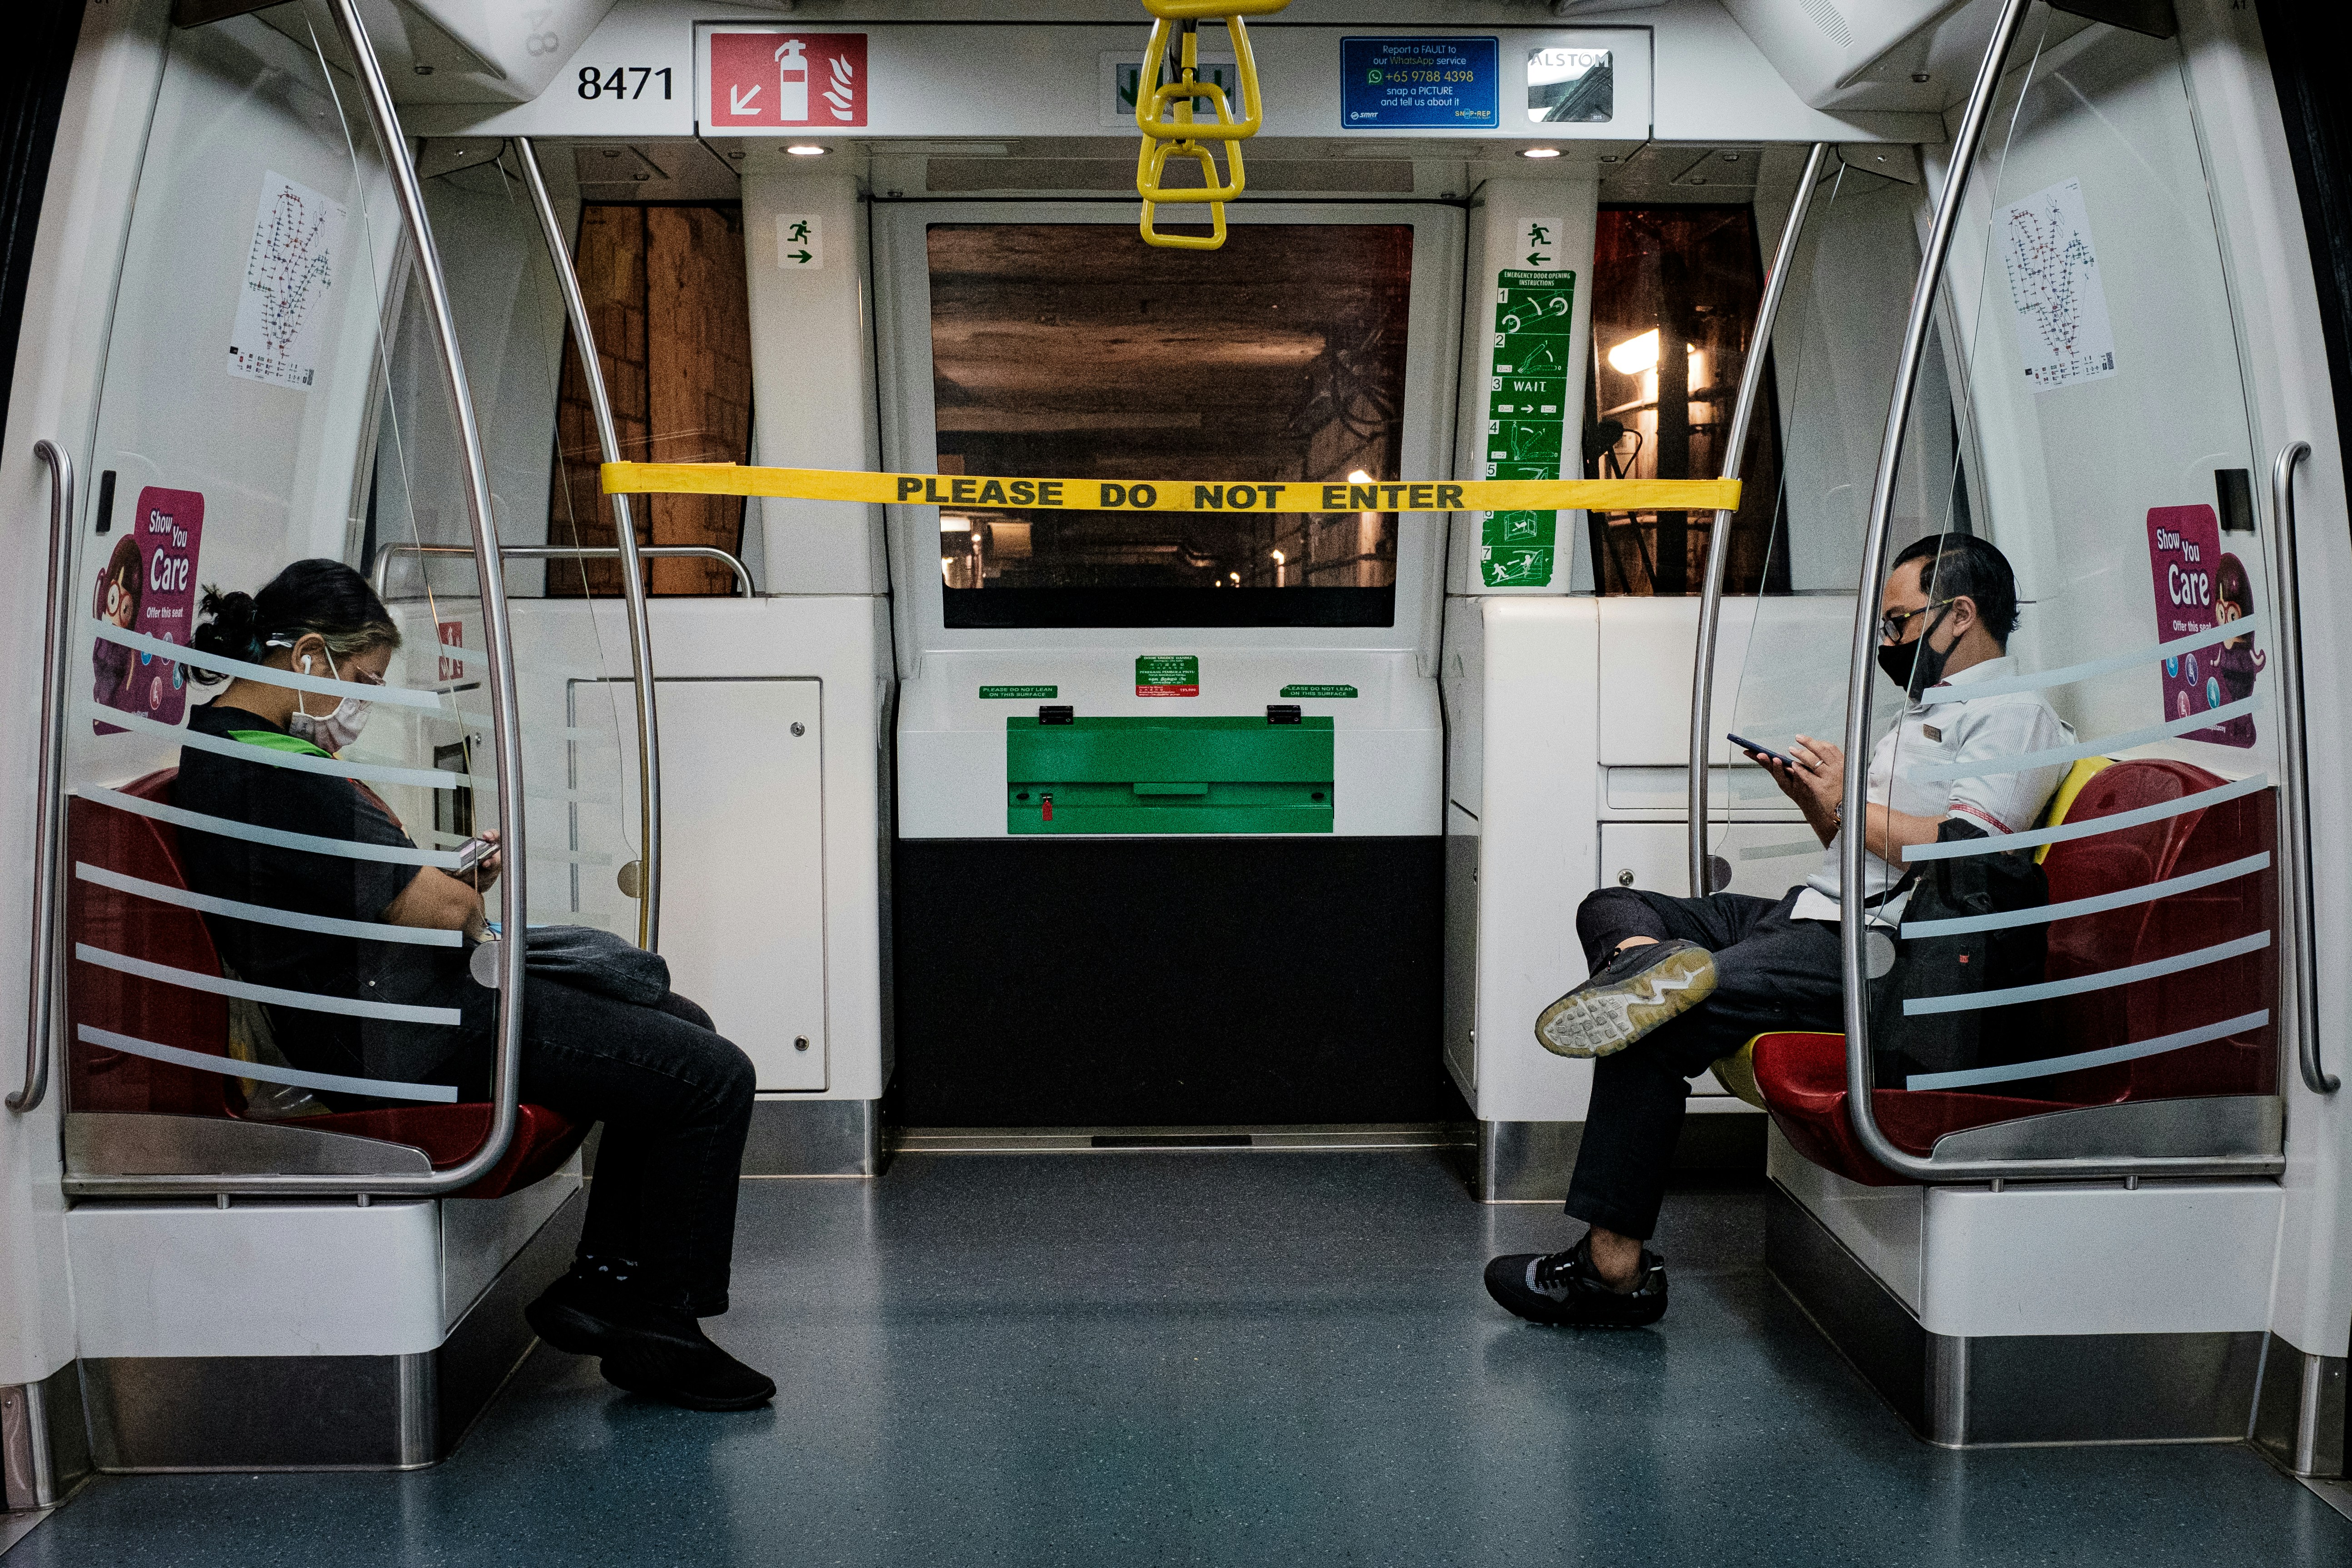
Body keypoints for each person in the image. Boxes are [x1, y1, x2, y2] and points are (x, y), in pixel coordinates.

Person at [175, 559, 772, 1411]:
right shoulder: (276, 775)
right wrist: (460, 888)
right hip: (400, 1031)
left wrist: (445, 892)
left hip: (392, 1002)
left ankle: (608, 1287)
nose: (363, 706)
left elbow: (377, 894)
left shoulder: (232, 748)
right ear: (308, 659)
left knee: (682, 1025)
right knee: (714, 1075)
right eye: (363, 681)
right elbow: (434, 903)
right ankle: (660, 1325)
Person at [1484, 534, 2074, 1329]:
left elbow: (1968, 858)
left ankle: (1610, 1270)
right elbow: (1856, 846)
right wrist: (1816, 800)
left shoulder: (2016, 717)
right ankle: (1648, 963)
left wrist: (1848, 802)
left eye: (1899, 624)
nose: (1887, 644)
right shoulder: (1928, 713)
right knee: (1611, 905)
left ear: (1960, 615)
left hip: (1872, 945)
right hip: (1810, 910)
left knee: (1656, 1024)